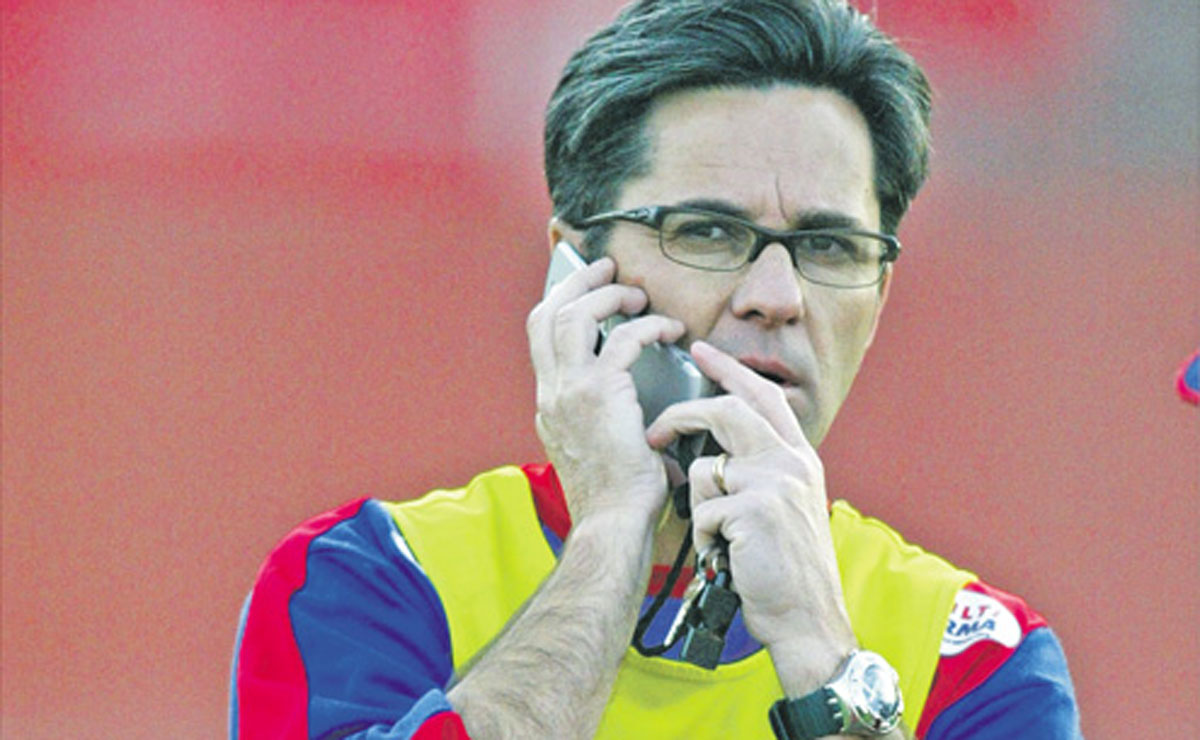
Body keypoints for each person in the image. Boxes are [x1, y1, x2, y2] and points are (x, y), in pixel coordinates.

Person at [231, 0, 1081, 737]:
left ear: (880, 293)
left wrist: (823, 659)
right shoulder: (371, 579)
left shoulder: (977, 660)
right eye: (707, 232)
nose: (777, 296)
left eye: (829, 246)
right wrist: (610, 535)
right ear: (574, 274)